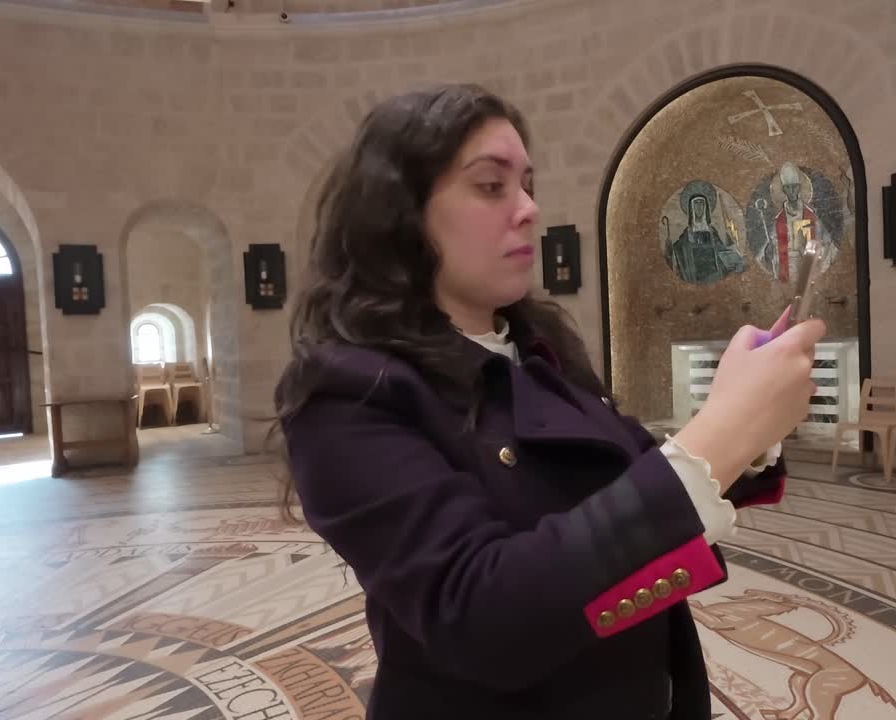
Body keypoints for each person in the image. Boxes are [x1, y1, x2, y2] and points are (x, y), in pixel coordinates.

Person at [274, 83, 825, 720]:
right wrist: (723, 430)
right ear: (399, 211)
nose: (529, 208)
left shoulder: (538, 348)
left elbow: (633, 477)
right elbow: (477, 616)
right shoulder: (348, 391)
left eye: (527, 184)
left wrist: (747, 430)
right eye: (491, 186)